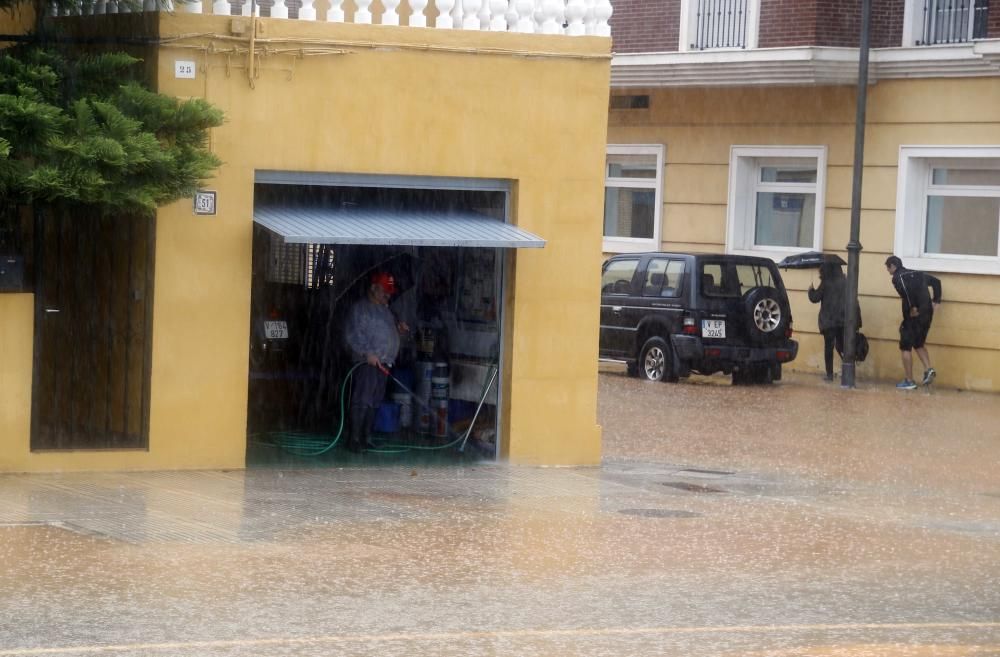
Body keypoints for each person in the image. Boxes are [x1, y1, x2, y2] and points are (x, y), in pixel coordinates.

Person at [343, 271, 409, 452]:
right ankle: (354, 439)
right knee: (362, 399)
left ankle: (367, 437)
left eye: (389, 292)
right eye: (384, 291)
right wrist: (367, 353)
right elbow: (353, 335)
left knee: (375, 400)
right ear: (373, 288)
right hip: (368, 363)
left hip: (385, 363)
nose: (387, 295)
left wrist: (400, 332)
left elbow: (390, 337)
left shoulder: (387, 311)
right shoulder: (360, 309)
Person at [885, 255, 942, 390]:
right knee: (918, 342)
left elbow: (906, 292)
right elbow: (936, 282)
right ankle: (929, 369)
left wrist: (913, 307)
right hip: (927, 314)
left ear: (893, 266)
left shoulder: (897, 277)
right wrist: (936, 300)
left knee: (905, 345)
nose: (888, 272)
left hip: (913, 315)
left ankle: (909, 381)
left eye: (888, 268)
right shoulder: (917, 274)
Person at [807, 261, 857, 382]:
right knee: (842, 346)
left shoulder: (826, 283)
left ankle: (829, 375)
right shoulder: (845, 282)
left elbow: (815, 298)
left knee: (828, 348)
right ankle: (849, 372)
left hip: (829, 321)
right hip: (842, 320)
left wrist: (810, 291)